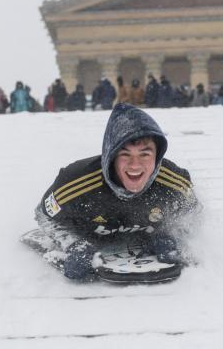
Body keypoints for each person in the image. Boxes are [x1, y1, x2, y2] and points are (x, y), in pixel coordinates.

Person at [34, 103, 200, 280]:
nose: (135, 165)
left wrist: (173, 236)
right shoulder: (75, 182)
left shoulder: (175, 184)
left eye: (145, 154)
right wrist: (71, 244)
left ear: (158, 156)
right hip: (86, 234)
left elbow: (195, 215)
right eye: (125, 154)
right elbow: (44, 214)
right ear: (110, 156)